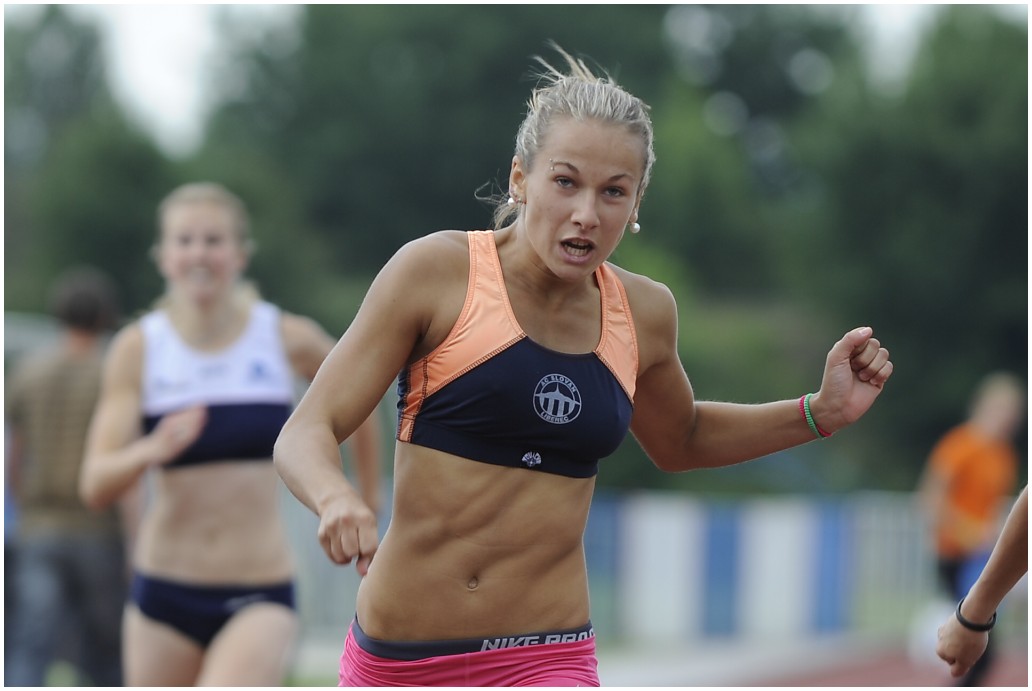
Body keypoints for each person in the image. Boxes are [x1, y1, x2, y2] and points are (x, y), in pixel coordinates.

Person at [273, 44, 894, 687]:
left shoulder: (645, 313)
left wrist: (818, 413)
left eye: (613, 192)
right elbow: (306, 430)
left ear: (637, 202)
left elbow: (681, 438)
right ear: (521, 178)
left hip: (549, 656)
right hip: (403, 660)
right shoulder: (436, 273)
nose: (586, 215)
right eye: (565, 182)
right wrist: (335, 497)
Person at [78, 182, 383, 686]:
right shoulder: (138, 348)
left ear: (239, 254)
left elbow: (363, 399)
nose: (199, 253)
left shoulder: (284, 336)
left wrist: (363, 498)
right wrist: (152, 448)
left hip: (258, 589)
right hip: (163, 591)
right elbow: (95, 484)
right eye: (185, 240)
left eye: (214, 240)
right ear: (164, 256)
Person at [5, 266, 127, 686]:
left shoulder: (28, 371)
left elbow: (15, 456)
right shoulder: (111, 373)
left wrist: (23, 507)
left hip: (39, 525)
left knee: (31, 643)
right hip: (98, 526)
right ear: (105, 316)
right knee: (104, 650)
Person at [917, 371, 1023, 686]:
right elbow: (930, 500)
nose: (1008, 419)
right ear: (982, 406)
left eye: (1014, 413)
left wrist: (994, 534)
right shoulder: (959, 445)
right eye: (1002, 410)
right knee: (976, 645)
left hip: (981, 557)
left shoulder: (1004, 456)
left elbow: (991, 507)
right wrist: (969, 532)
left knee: (980, 648)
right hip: (955, 554)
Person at [936, 485, 1027, 680]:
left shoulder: (1003, 467)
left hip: (980, 558)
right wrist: (972, 618)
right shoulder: (958, 461)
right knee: (976, 654)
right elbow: (934, 500)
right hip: (958, 559)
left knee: (979, 655)